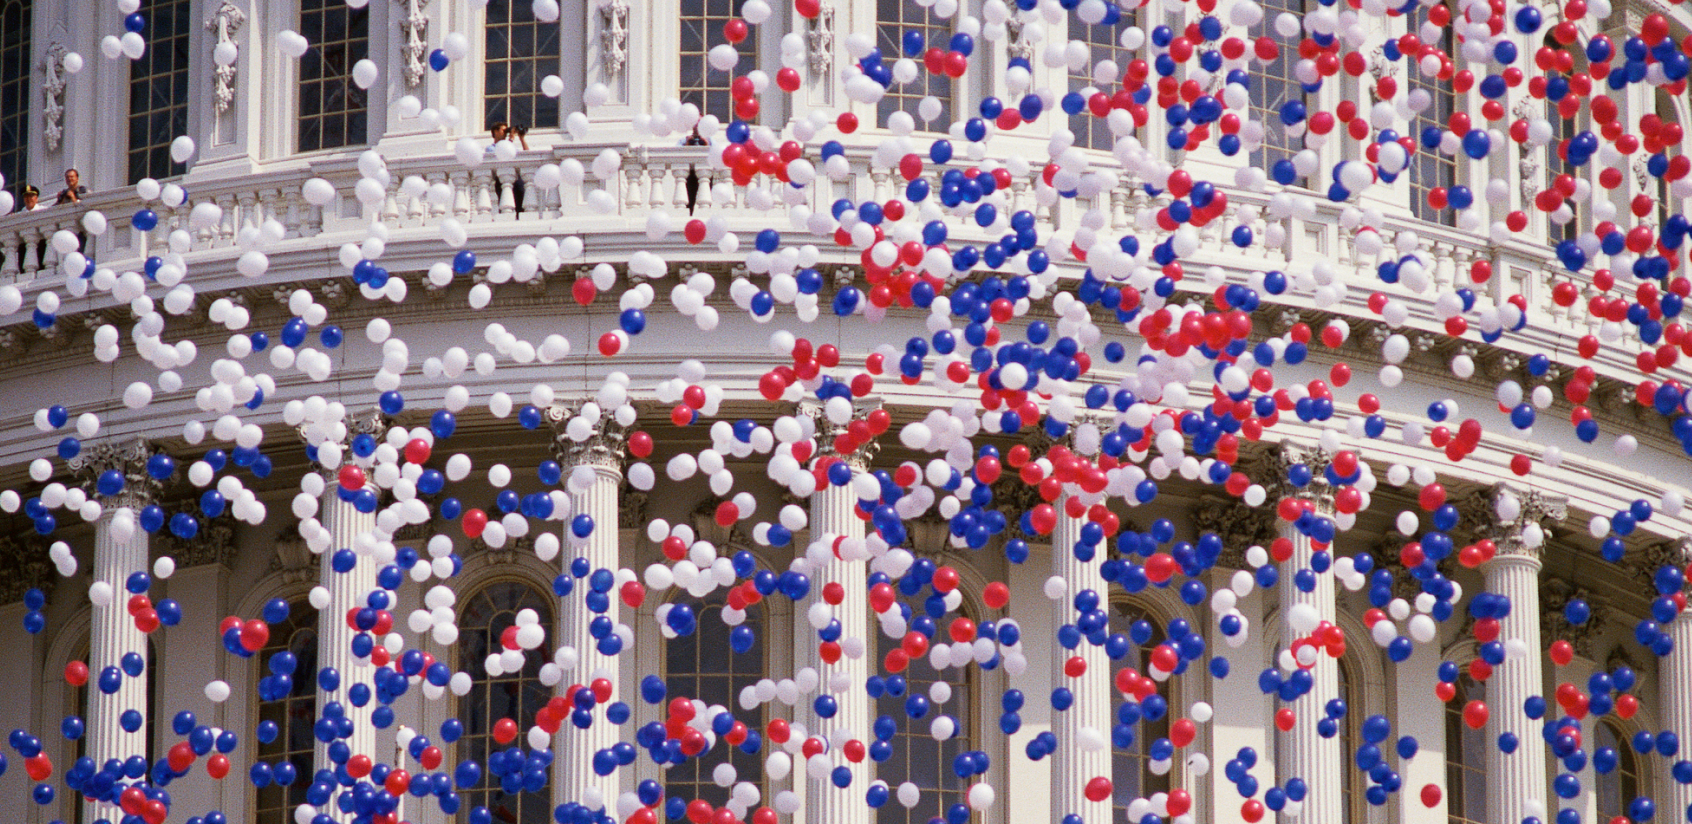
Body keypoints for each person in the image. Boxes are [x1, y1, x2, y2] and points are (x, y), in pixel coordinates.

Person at [486, 122, 529, 213]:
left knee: (521, 200)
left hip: (515, 178)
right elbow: (502, 155)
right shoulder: (490, 148)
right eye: (503, 130)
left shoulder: (510, 146)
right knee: (504, 204)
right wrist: (511, 140)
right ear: (496, 132)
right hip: (502, 179)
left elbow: (527, 154)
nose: (505, 133)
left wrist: (522, 139)